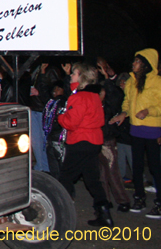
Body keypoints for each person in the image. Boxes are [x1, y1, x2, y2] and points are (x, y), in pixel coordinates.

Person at [58, 62, 113, 227]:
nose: (71, 76)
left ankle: (62, 214)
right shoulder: (93, 96)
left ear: (81, 77)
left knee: (65, 178)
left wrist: (61, 117)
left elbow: (71, 122)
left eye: (74, 74)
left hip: (81, 141)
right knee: (92, 180)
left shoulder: (79, 97)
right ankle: (104, 214)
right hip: (93, 140)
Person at [109, 48, 161, 218]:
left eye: (138, 61)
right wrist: (124, 113)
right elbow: (128, 101)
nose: (134, 64)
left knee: (155, 166)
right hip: (136, 128)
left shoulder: (157, 82)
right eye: (134, 61)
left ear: (146, 64)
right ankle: (139, 198)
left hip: (153, 128)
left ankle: (159, 203)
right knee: (137, 167)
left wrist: (149, 111)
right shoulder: (131, 81)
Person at [97, 57, 131, 212]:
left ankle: (123, 201)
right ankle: (106, 200)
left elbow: (114, 96)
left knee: (113, 173)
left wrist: (106, 78)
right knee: (102, 174)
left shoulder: (110, 103)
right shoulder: (98, 104)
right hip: (98, 140)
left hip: (108, 140)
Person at [28, 62, 59, 173]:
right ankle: (40, 166)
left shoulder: (52, 69)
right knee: (36, 141)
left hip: (43, 110)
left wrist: (39, 93)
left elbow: (55, 91)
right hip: (33, 107)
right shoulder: (33, 67)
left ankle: (47, 168)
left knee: (44, 140)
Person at [43, 81, 68, 180]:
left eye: (58, 89)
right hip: (51, 137)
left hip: (60, 138)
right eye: (55, 89)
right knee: (53, 167)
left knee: (62, 166)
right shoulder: (50, 102)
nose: (55, 91)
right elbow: (43, 92)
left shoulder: (63, 103)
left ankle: (66, 190)